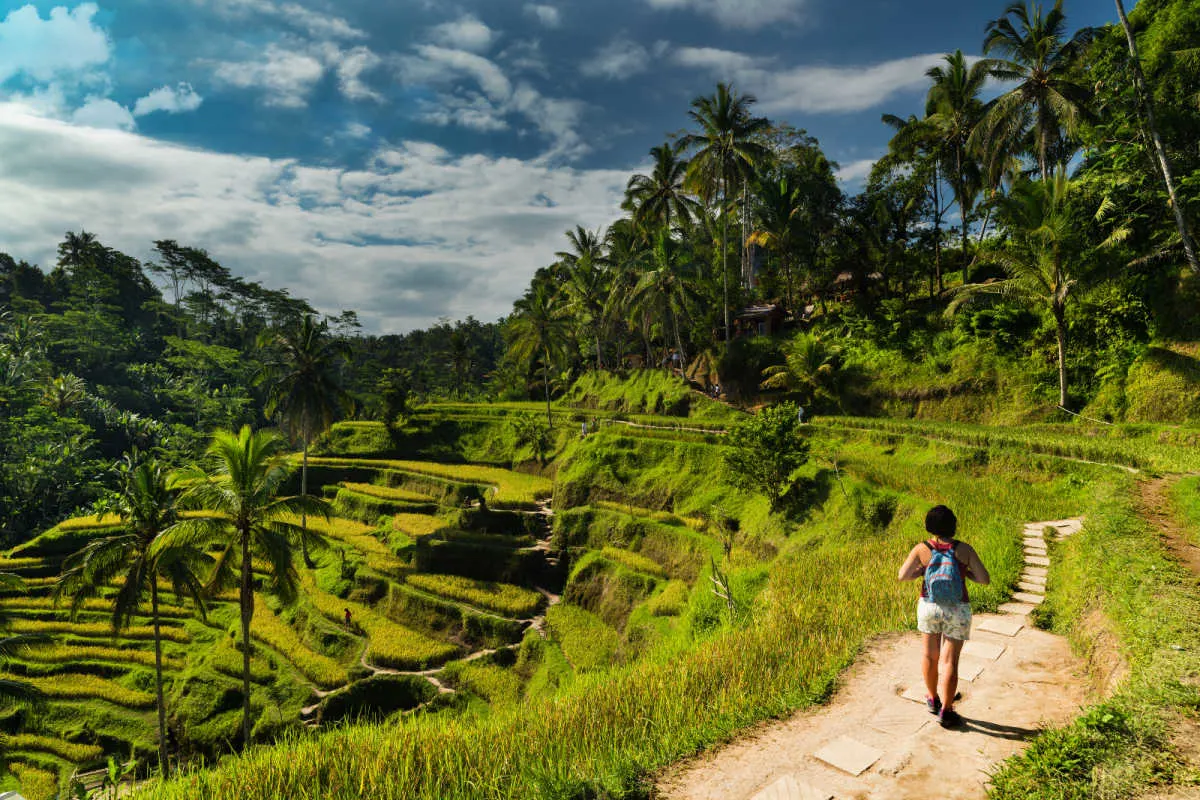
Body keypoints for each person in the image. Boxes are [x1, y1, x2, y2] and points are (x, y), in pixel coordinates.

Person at [897, 505, 990, 728]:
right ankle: (947, 711)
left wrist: (921, 571)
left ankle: (932, 698)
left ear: (929, 526)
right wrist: (965, 573)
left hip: (929, 605)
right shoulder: (964, 550)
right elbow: (984, 579)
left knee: (930, 656)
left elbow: (903, 575)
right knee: (950, 661)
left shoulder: (922, 548)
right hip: (957, 608)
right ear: (953, 525)